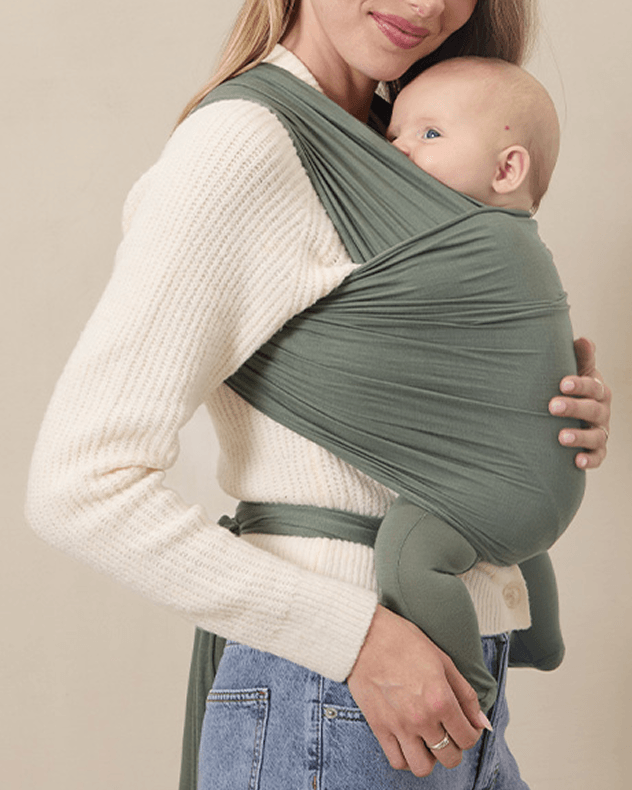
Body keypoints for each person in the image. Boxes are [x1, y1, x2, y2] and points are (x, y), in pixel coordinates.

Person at [25, 1, 612, 788]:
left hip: (440, 686)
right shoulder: (246, 145)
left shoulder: (413, 130)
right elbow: (79, 485)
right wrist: (356, 638)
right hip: (338, 691)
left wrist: (541, 415)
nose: (427, 4)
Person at [365, 56, 577, 713]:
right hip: (546, 477)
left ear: (506, 169)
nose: (399, 148)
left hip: (501, 480)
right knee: (514, 542)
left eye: (429, 135)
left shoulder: (467, 240)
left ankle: (469, 684)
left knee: (407, 554)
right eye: (395, 133)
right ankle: (540, 640)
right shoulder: (520, 243)